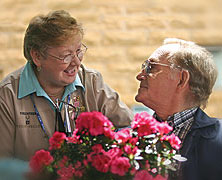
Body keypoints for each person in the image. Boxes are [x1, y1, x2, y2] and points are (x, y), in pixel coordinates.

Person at [0, 10, 133, 161]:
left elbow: (128, 129)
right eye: (66, 55)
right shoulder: (7, 95)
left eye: (78, 51)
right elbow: (3, 164)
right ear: (37, 56)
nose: (76, 62)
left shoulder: (91, 81)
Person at [135, 38, 222, 180]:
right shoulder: (129, 138)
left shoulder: (219, 138)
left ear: (181, 79)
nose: (140, 75)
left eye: (151, 67)